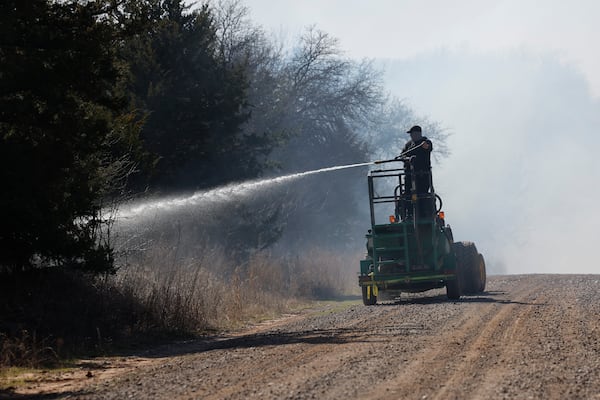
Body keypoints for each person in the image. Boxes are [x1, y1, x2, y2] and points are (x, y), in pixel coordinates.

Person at [398, 125, 434, 217]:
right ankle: (408, 214)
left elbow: (428, 146)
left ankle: (424, 214)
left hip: (422, 176)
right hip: (409, 176)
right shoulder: (409, 145)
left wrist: (425, 145)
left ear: (418, 133)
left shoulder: (425, 142)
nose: (411, 136)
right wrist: (406, 158)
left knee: (422, 195)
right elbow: (402, 155)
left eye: (413, 134)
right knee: (407, 195)